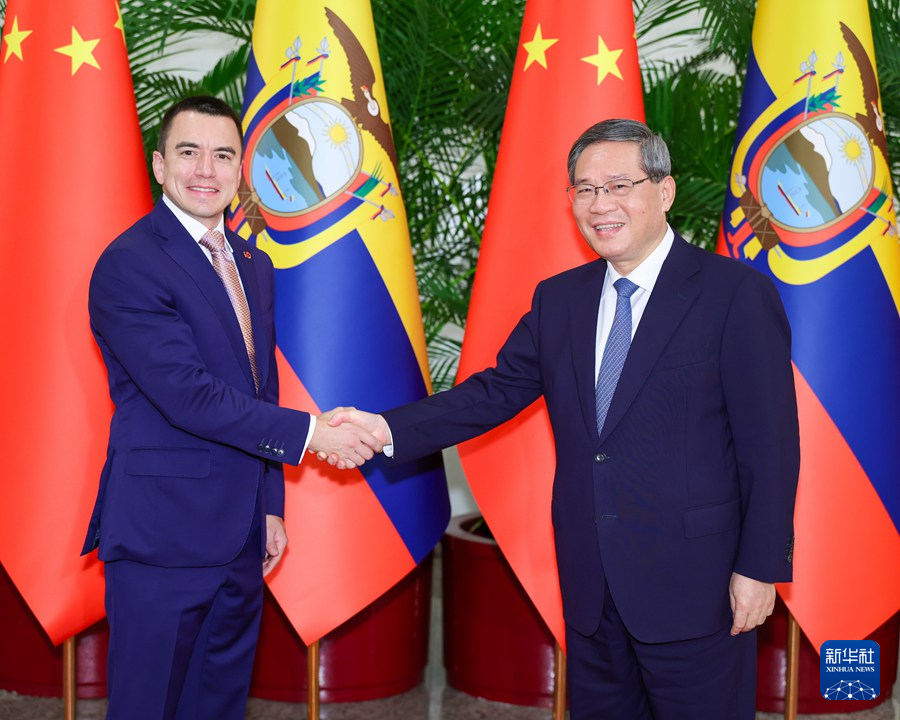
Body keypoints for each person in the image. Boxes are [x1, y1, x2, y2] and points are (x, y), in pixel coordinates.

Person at [327, 119, 800, 719]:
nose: (601, 204)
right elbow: (493, 393)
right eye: (585, 189)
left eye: (619, 185)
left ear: (665, 191)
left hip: (697, 587)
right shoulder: (561, 299)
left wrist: (758, 568)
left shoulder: (734, 294)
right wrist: (385, 429)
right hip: (591, 585)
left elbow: (771, 446)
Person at [82, 95, 382, 719]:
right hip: (162, 538)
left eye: (222, 155)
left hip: (242, 535)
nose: (206, 170)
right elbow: (188, 395)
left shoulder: (252, 262)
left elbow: (259, 387)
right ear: (159, 165)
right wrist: (315, 435)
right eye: (188, 152)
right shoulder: (129, 263)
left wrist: (270, 505)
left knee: (217, 706)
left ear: (241, 168)